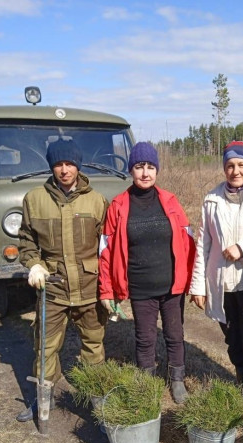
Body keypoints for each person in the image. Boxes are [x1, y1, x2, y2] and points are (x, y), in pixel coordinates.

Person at [16, 138, 108, 422]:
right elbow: (26, 241)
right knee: (44, 348)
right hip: (52, 289)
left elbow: (108, 247)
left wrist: (111, 289)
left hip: (89, 289)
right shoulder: (35, 200)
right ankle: (43, 401)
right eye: (58, 164)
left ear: (78, 166)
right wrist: (33, 265)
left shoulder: (96, 201)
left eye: (69, 164)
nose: (64, 170)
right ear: (51, 166)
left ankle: (99, 404)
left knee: (93, 346)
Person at [99, 142, 196, 404]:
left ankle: (177, 379)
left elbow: (189, 243)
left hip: (171, 284)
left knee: (175, 335)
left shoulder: (170, 202)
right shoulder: (119, 205)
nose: (145, 173)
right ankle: (148, 385)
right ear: (131, 170)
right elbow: (106, 251)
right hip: (141, 288)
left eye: (150, 167)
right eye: (139, 167)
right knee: (145, 339)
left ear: (157, 170)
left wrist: (194, 281)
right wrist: (107, 289)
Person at [189, 141, 243, 411]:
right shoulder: (212, 199)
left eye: (241, 165)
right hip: (222, 284)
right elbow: (204, 244)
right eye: (230, 165)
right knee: (233, 340)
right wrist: (198, 286)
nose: (235, 171)